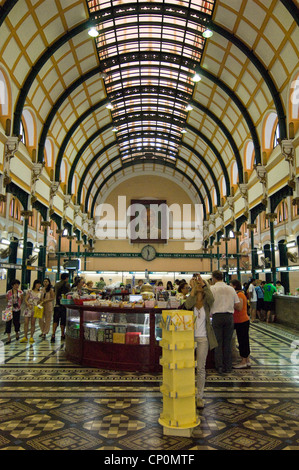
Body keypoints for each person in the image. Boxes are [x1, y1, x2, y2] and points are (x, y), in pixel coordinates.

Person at [184, 275, 217, 408]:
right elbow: (187, 305)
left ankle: (200, 396)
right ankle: (188, 392)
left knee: (201, 368)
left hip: (203, 338)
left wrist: (203, 285)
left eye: (201, 287)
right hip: (189, 338)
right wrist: (193, 289)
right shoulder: (192, 302)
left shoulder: (207, 303)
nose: (199, 288)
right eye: (197, 285)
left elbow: (212, 298)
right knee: (187, 367)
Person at [209, 270, 241, 374]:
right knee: (228, 342)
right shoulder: (231, 289)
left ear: (214, 278)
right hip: (229, 317)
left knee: (218, 342)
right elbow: (237, 304)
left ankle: (219, 366)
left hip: (217, 317)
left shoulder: (212, 288)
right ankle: (228, 366)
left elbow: (208, 303)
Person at [230, 279, 251, 369]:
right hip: (239, 321)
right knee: (244, 340)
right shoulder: (239, 294)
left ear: (234, 286)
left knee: (242, 341)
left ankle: (243, 361)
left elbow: (239, 307)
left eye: (230, 285)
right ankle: (247, 360)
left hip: (242, 321)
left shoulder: (239, 295)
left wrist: (230, 303)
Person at [20, 279, 42, 344]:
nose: (38, 285)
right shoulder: (29, 291)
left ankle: (31, 336)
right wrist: (28, 304)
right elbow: (26, 299)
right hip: (28, 308)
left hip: (35, 309)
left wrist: (40, 304)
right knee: (26, 322)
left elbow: (41, 300)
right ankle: (25, 336)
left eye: (39, 284)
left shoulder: (40, 293)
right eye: (37, 283)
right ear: (34, 284)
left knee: (33, 323)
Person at [51, 273, 71, 343]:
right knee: (63, 321)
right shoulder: (67, 284)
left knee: (55, 320)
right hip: (63, 305)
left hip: (56, 305)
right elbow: (69, 294)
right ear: (66, 278)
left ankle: (53, 334)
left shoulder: (56, 284)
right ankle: (62, 334)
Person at [5, 279, 23, 344]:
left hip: (17, 309)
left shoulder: (20, 292)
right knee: (8, 323)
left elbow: (22, 300)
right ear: (12, 285)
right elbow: (7, 300)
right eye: (15, 284)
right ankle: (8, 337)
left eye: (18, 284)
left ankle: (17, 333)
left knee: (16, 322)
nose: (17, 286)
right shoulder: (8, 292)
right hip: (8, 308)